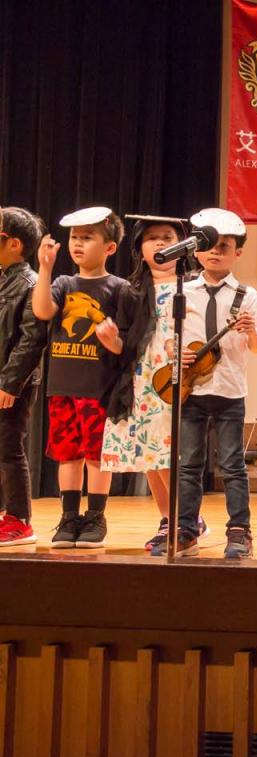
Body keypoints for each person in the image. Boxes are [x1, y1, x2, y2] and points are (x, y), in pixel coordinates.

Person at [32, 207, 127, 549]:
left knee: (97, 456)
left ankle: (95, 516)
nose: (78, 243)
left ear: (110, 247)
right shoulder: (63, 283)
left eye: (88, 237)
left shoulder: (119, 288)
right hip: (63, 386)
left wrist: (113, 341)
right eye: (74, 237)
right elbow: (43, 310)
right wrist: (45, 269)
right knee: (68, 454)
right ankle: (69, 516)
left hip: (99, 388)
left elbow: (127, 345)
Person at [101, 216, 198, 549]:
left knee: (169, 453)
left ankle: (187, 518)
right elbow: (126, 343)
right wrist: (112, 341)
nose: (160, 243)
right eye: (151, 238)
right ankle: (168, 519)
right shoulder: (132, 291)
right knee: (149, 455)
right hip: (142, 377)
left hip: (179, 377)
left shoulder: (194, 286)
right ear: (140, 248)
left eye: (168, 237)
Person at [173, 208, 257, 559]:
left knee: (232, 465)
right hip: (191, 390)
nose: (215, 251)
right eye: (208, 244)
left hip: (229, 391)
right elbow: (169, 337)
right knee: (189, 465)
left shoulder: (247, 295)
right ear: (195, 249)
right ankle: (186, 529)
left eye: (224, 246)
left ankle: (239, 530)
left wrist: (251, 331)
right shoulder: (184, 291)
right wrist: (177, 353)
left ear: (237, 252)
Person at [0, 207, 49, 547]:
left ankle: (19, 520)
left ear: (14, 244)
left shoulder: (30, 284)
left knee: (8, 448)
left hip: (12, 383)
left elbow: (32, 339)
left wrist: (10, 383)